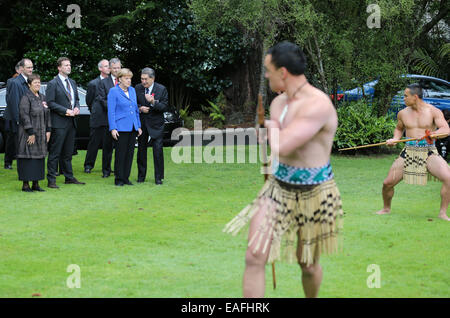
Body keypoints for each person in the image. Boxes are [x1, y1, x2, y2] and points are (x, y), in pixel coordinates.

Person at [223, 41, 343, 298]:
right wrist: (267, 129)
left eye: (268, 70)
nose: (266, 76)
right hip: (277, 189)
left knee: (308, 265)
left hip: (315, 193)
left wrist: (268, 130)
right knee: (254, 256)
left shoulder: (317, 104)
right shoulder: (278, 104)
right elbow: (275, 137)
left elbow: (284, 145)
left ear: (283, 72)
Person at [376, 84, 450, 221]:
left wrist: (433, 134)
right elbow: (399, 129)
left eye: (405, 96)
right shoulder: (403, 113)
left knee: (448, 178)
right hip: (409, 150)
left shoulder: (433, 111)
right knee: (387, 183)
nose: (403, 98)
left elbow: (445, 129)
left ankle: (442, 213)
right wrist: (395, 139)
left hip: (428, 152)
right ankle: (386, 208)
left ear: (415, 97)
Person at [46, 57, 85, 188]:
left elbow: (77, 99)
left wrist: (77, 107)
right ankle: (51, 180)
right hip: (59, 123)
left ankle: (69, 177)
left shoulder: (72, 82)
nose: (69, 67)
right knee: (55, 153)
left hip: (71, 122)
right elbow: (50, 103)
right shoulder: (53, 83)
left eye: (69, 65)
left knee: (68, 153)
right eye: (66, 65)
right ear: (59, 67)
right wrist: (65, 110)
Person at [16, 74, 51, 192]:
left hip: (41, 134)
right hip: (28, 134)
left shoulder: (42, 97)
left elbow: (48, 115)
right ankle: (25, 185)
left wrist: (48, 130)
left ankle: (36, 184)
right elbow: (24, 115)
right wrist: (30, 132)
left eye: (39, 83)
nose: (38, 85)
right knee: (28, 158)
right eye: (35, 83)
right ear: (29, 84)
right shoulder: (25, 97)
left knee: (39, 158)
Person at [107, 68, 142, 186]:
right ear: (120, 79)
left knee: (129, 154)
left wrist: (138, 126)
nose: (129, 81)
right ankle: (119, 179)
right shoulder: (113, 91)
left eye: (130, 78)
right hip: (120, 127)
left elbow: (136, 109)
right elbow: (111, 111)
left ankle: (126, 178)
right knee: (120, 154)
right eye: (126, 78)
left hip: (132, 127)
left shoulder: (132, 90)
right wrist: (113, 128)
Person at [135, 67, 169, 185]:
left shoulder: (161, 89)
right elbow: (134, 103)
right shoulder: (137, 88)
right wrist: (140, 108)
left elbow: (164, 107)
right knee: (141, 150)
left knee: (158, 151)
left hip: (156, 124)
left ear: (152, 78)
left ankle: (158, 178)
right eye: (142, 79)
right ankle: (141, 176)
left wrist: (153, 102)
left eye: (146, 79)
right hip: (142, 124)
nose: (143, 81)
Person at [3, 58, 33, 169]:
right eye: (28, 67)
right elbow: (14, 102)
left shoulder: (29, 81)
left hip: (25, 117)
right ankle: (10, 163)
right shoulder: (15, 82)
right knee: (14, 141)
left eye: (32, 67)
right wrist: (19, 120)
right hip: (17, 118)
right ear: (21, 69)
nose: (31, 69)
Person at [83, 59, 111, 174]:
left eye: (109, 66)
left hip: (109, 118)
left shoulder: (113, 82)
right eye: (106, 66)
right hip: (97, 117)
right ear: (100, 69)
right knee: (94, 142)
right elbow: (89, 101)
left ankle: (107, 167)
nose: (108, 68)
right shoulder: (93, 83)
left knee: (108, 144)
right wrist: (95, 111)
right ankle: (88, 165)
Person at [97, 57, 122, 178]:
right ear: (110, 68)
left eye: (119, 68)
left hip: (122, 120)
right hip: (108, 120)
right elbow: (102, 100)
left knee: (120, 147)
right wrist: (116, 107)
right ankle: (106, 171)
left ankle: (119, 169)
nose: (117, 70)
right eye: (114, 68)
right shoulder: (103, 82)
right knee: (107, 147)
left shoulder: (124, 82)